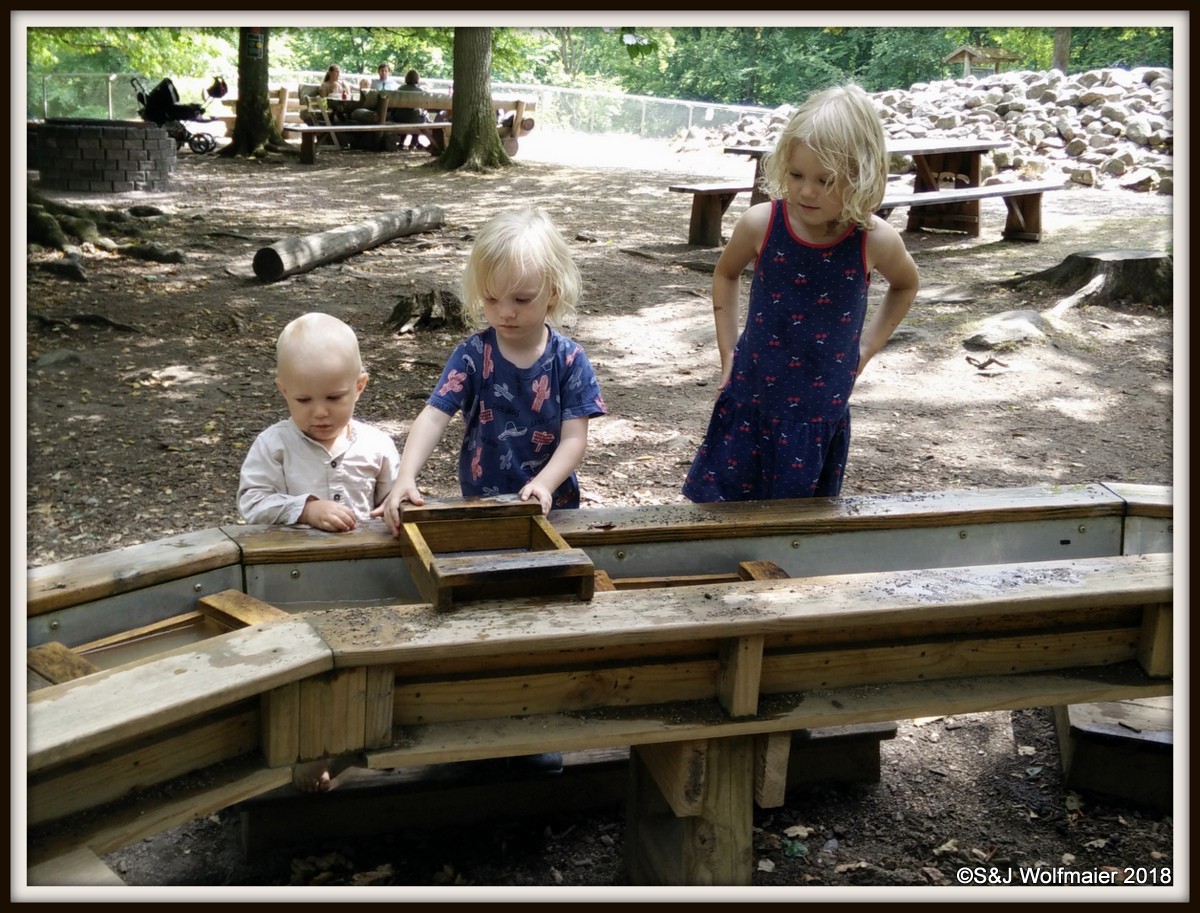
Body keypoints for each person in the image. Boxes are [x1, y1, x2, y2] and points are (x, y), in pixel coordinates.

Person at [682, 83, 919, 504]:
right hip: (751, 394)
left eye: (825, 181)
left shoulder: (874, 239)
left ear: (862, 175)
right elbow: (726, 275)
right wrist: (727, 352)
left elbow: (905, 284)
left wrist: (865, 348)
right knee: (722, 508)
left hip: (817, 407)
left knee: (796, 518)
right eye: (796, 175)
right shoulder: (761, 224)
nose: (807, 191)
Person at [376, 207, 606, 530]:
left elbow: (574, 440)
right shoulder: (472, 355)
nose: (505, 312)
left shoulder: (569, 361)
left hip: (553, 508)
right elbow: (433, 416)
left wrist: (544, 484)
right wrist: (406, 476)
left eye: (521, 300)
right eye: (491, 299)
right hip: (483, 504)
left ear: (552, 291)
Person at [238, 312, 400, 535]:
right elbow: (253, 503)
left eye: (333, 398)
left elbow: (393, 497)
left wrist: (395, 506)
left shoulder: (377, 445)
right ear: (284, 391)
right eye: (304, 400)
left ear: (359, 387)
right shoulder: (274, 445)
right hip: (296, 564)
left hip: (366, 559)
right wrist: (306, 510)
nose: (320, 412)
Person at [391, 67, 428, 148]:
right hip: (413, 118)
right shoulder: (419, 91)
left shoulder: (400, 89)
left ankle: (402, 142)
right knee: (420, 118)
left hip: (400, 117)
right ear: (417, 79)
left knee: (409, 117)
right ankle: (414, 143)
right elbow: (422, 107)